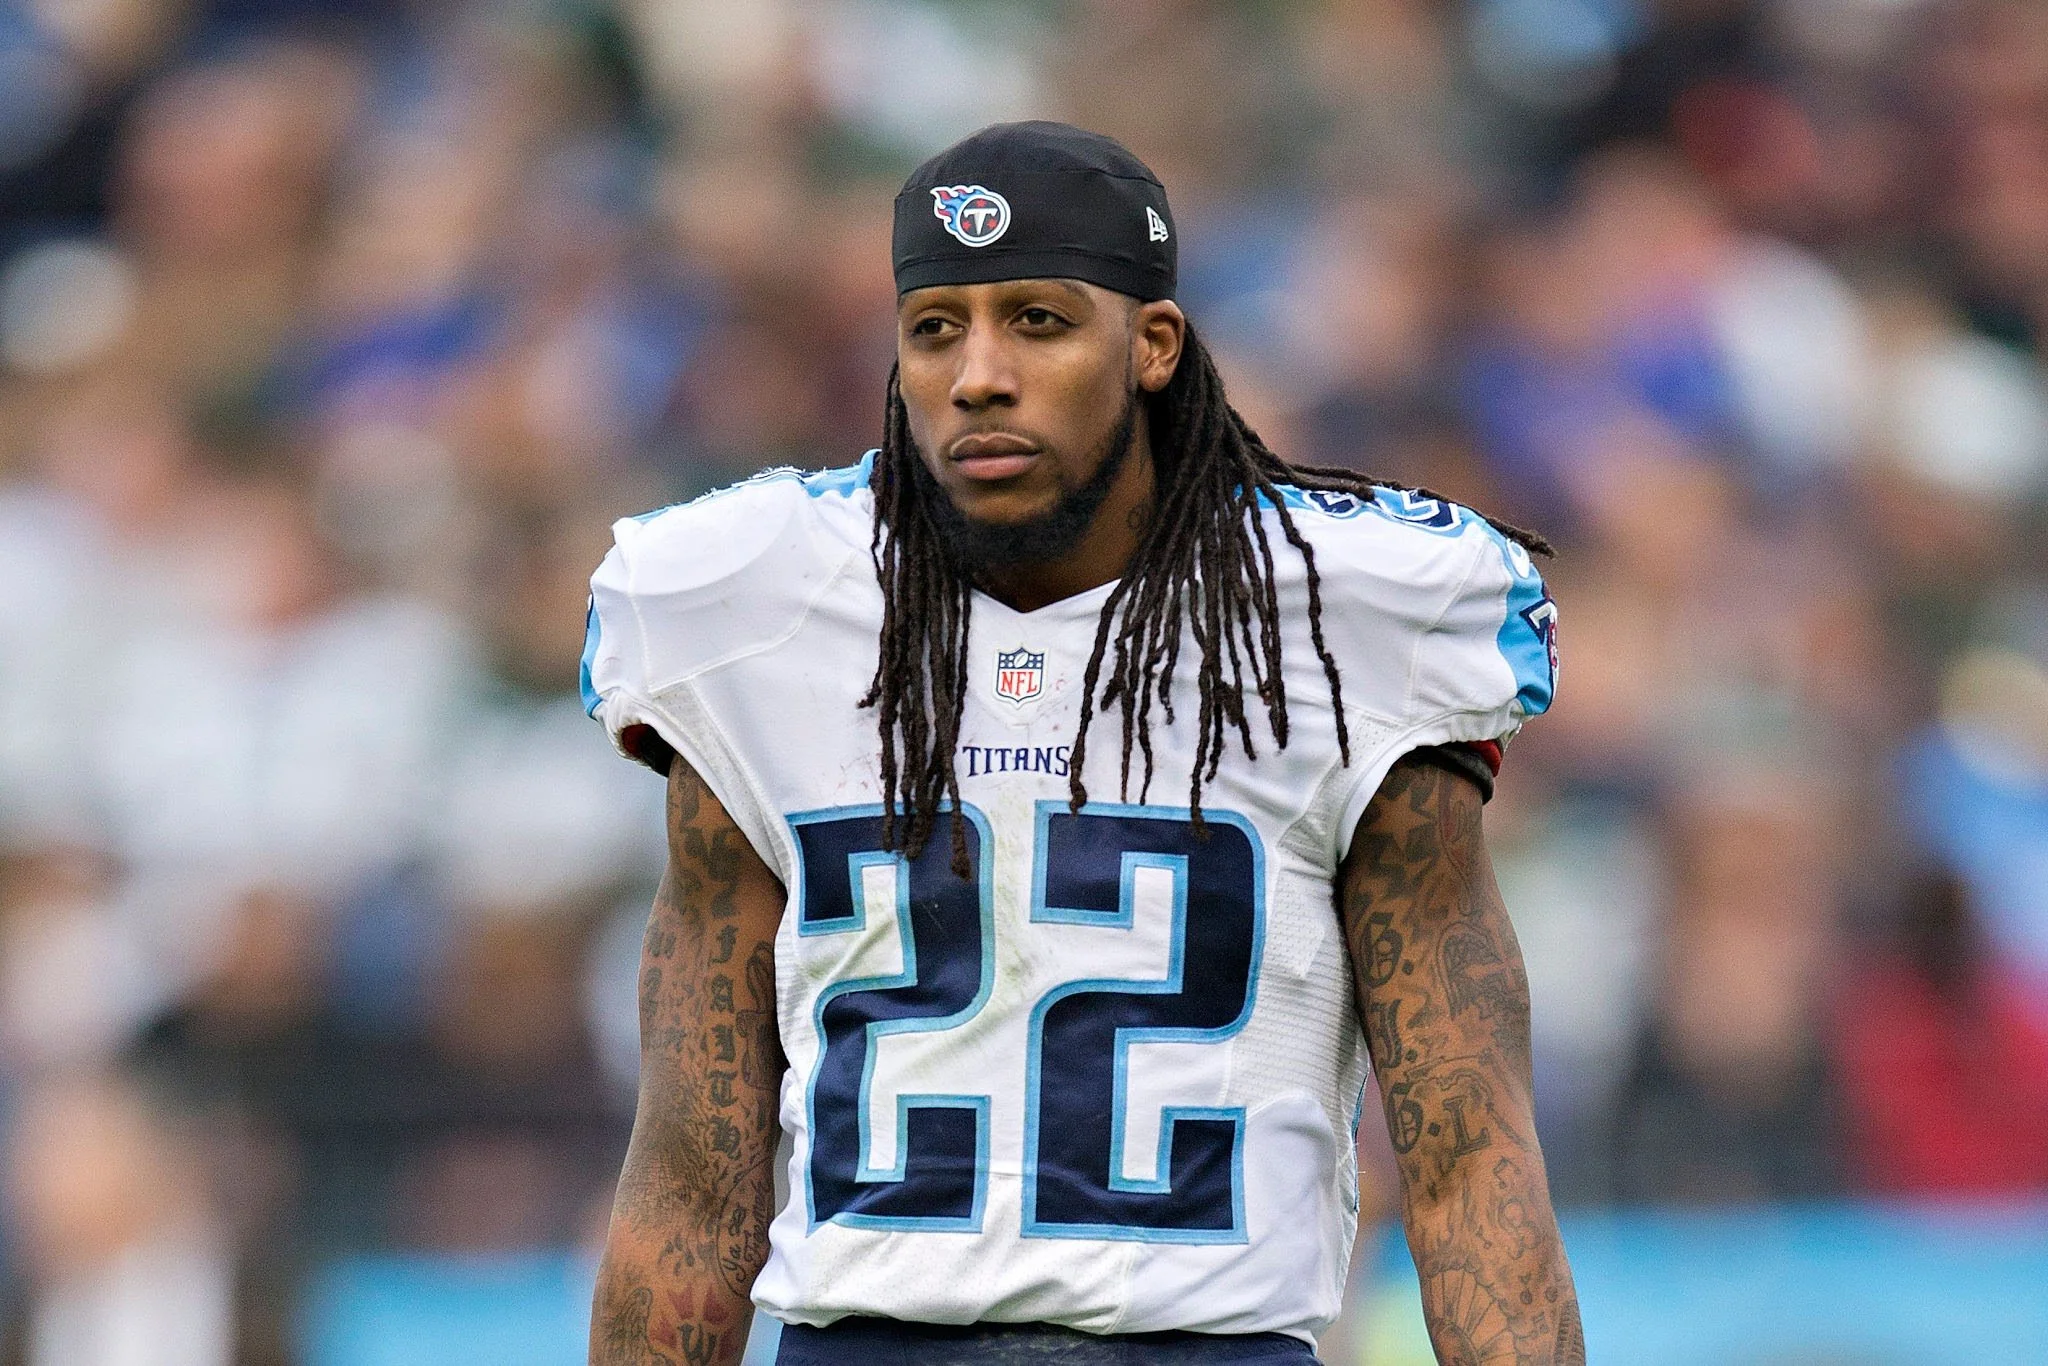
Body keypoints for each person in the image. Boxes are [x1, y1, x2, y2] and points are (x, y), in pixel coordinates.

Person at [583, 122, 1583, 1366]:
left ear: (1151, 344)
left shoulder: (1340, 623)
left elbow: (1468, 1164)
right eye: (935, 327)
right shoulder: (755, 609)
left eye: (1038, 320)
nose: (977, 375)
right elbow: (690, 1182)